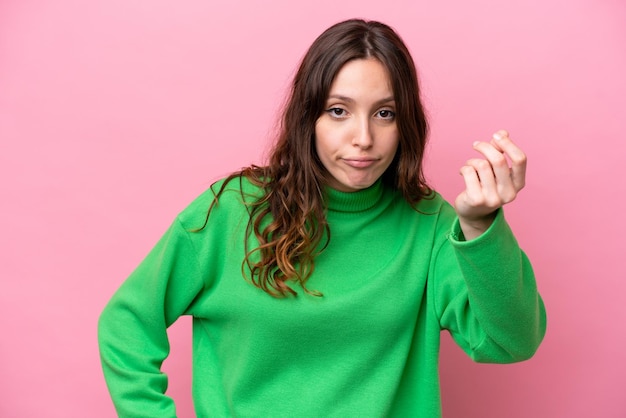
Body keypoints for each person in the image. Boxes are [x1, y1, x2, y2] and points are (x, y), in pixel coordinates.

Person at [98, 18, 546, 418]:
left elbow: (511, 342)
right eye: (339, 111)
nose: (364, 138)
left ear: (405, 124)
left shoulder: (428, 225)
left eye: (384, 114)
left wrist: (481, 225)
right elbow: (127, 323)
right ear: (307, 118)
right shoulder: (232, 210)